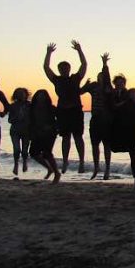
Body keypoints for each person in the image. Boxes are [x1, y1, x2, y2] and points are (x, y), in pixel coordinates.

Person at [43, 40, 87, 173]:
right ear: (59, 70)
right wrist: (48, 53)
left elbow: (84, 64)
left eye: (66, 68)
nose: (64, 70)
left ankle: (81, 162)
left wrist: (79, 50)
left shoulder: (75, 78)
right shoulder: (57, 79)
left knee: (78, 137)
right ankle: (65, 161)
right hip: (62, 111)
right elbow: (46, 67)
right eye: (62, 69)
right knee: (65, 137)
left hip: (75, 110)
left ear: (69, 69)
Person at [80, 53, 113, 180]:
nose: (101, 77)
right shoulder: (93, 86)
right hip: (95, 119)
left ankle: (107, 169)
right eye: (99, 76)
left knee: (106, 145)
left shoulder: (108, 87)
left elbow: (107, 75)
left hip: (105, 119)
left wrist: (104, 64)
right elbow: (80, 91)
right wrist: (85, 84)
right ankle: (96, 168)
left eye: (103, 76)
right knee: (94, 145)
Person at [28, 90, 61, 183]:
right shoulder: (32, 108)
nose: (41, 98)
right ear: (36, 97)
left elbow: (60, 119)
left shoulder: (51, 108)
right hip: (37, 132)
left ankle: (56, 173)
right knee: (33, 153)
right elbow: (30, 121)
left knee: (47, 153)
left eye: (43, 96)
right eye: (39, 96)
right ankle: (49, 168)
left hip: (49, 133)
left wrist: (54, 127)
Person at [8, 87, 31, 178]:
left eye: (23, 93)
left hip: (27, 130)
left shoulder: (30, 105)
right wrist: (16, 118)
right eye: (19, 94)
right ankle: (16, 165)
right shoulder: (13, 106)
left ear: (26, 95)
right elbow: (10, 119)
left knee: (25, 150)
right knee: (17, 149)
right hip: (15, 130)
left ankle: (24, 163)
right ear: (15, 96)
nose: (21, 95)